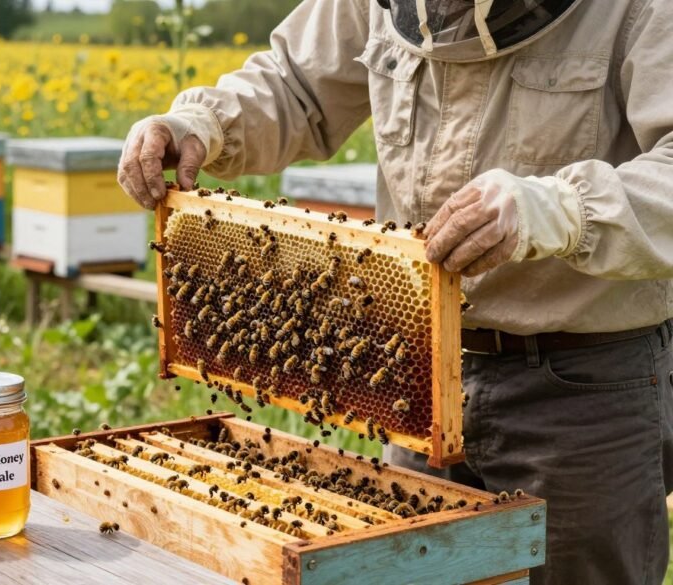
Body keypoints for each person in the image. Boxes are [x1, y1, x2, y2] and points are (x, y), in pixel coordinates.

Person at [118, 1, 673, 583]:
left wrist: (560, 208)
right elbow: (295, 83)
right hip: (412, 377)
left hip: (584, 393)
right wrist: (204, 123)